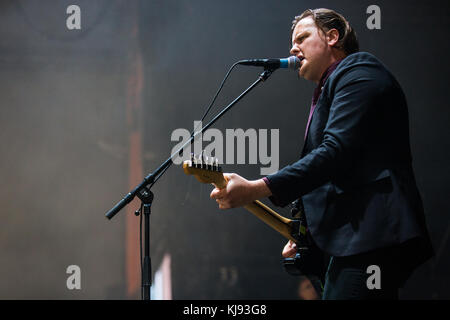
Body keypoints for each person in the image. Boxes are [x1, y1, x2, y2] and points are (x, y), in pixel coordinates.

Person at [210, 8, 434, 299]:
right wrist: (308, 233)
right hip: (352, 239)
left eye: (302, 37)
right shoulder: (331, 86)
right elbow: (339, 170)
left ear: (332, 36)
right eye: (293, 41)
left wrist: (256, 188)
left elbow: (335, 153)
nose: (293, 48)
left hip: (370, 235)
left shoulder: (359, 73)